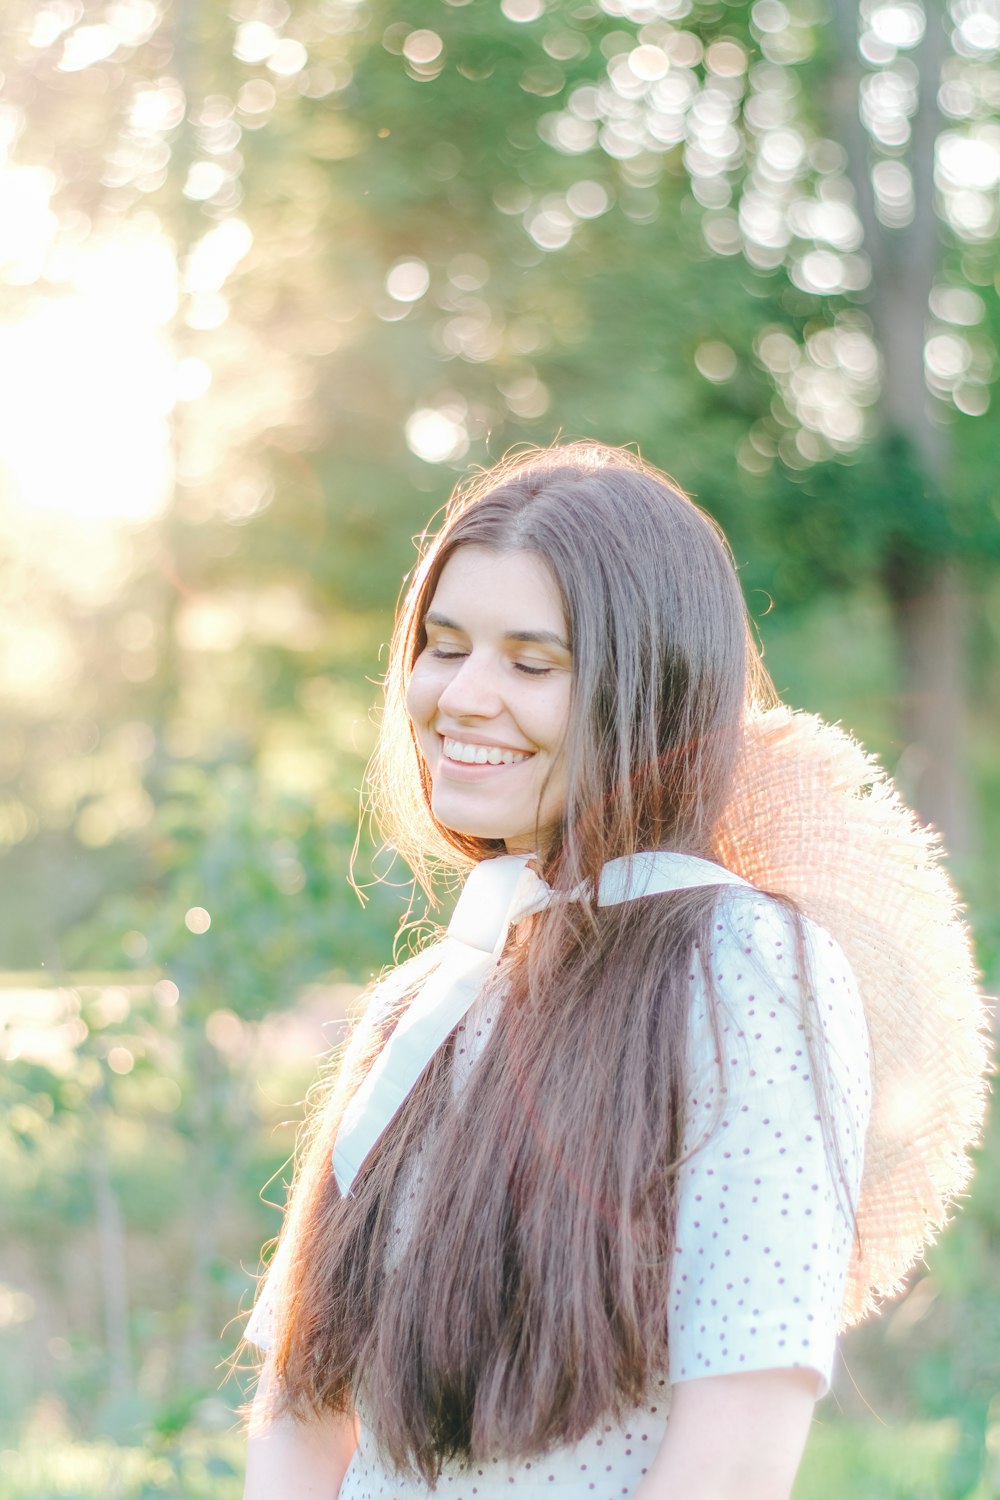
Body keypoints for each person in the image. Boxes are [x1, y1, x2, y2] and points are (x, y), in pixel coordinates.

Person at [241, 442, 985, 1500]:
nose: (461, 696)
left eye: (531, 663)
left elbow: (731, 1454)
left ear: (651, 682)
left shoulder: (742, 971)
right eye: (442, 647)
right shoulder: (424, 1002)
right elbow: (301, 1402)